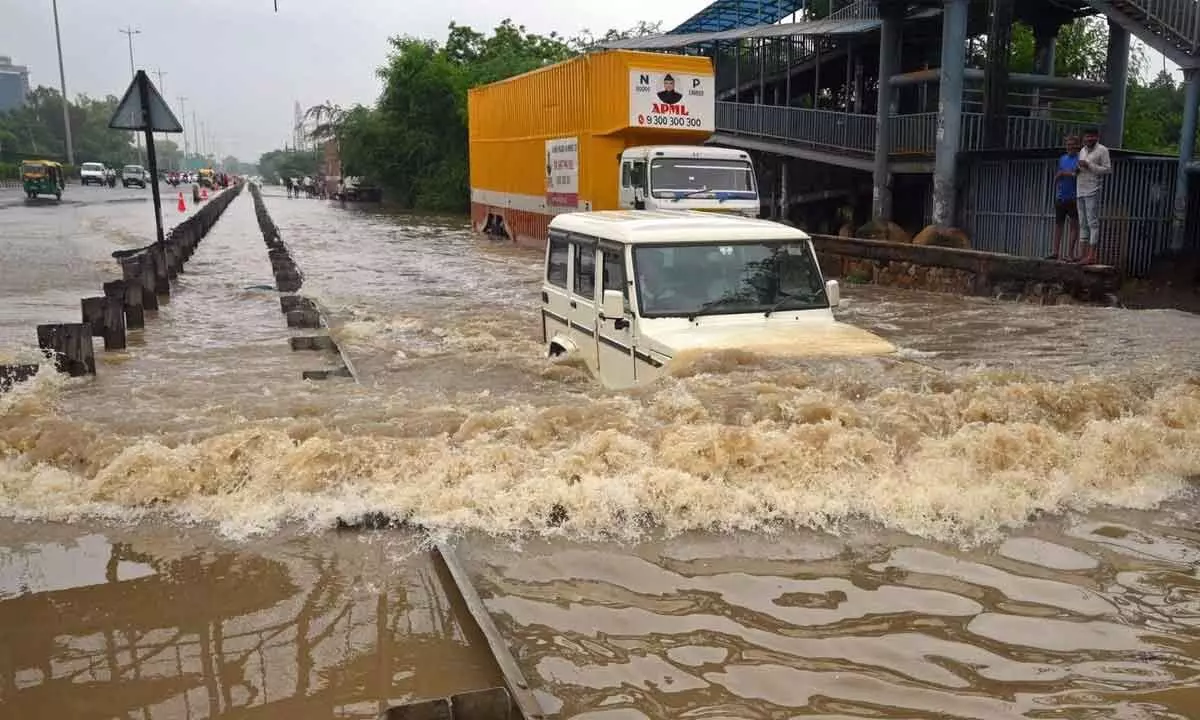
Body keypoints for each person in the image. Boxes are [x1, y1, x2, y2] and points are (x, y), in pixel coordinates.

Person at [1075, 127, 1111, 265]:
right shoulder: (1082, 151)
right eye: (1087, 136)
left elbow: (1107, 170)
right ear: (1083, 138)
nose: (1089, 139)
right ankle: (1082, 255)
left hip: (1093, 189)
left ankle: (1092, 256)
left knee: (1092, 222)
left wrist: (1089, 165)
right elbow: (1080, 167)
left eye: (1092, 136)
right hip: (1080, 189)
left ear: (1097, 137)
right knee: (1082, 222)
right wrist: (1077, 169)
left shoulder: (1102, 150)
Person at [1050, 135, 1080, 261]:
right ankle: (1055, 252)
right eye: (1068, 144)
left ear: (1077, 145)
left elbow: (1077, 174)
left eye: (1073, 144)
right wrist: (1058, 177)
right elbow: (1059, 173)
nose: (1070, 146)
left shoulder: (1080, 158)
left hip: (1074, 196)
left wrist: (1064, 173)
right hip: (1061, 196)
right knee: (1058, 225)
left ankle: (1070, 254)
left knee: (1074, 225)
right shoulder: (1062, 158)